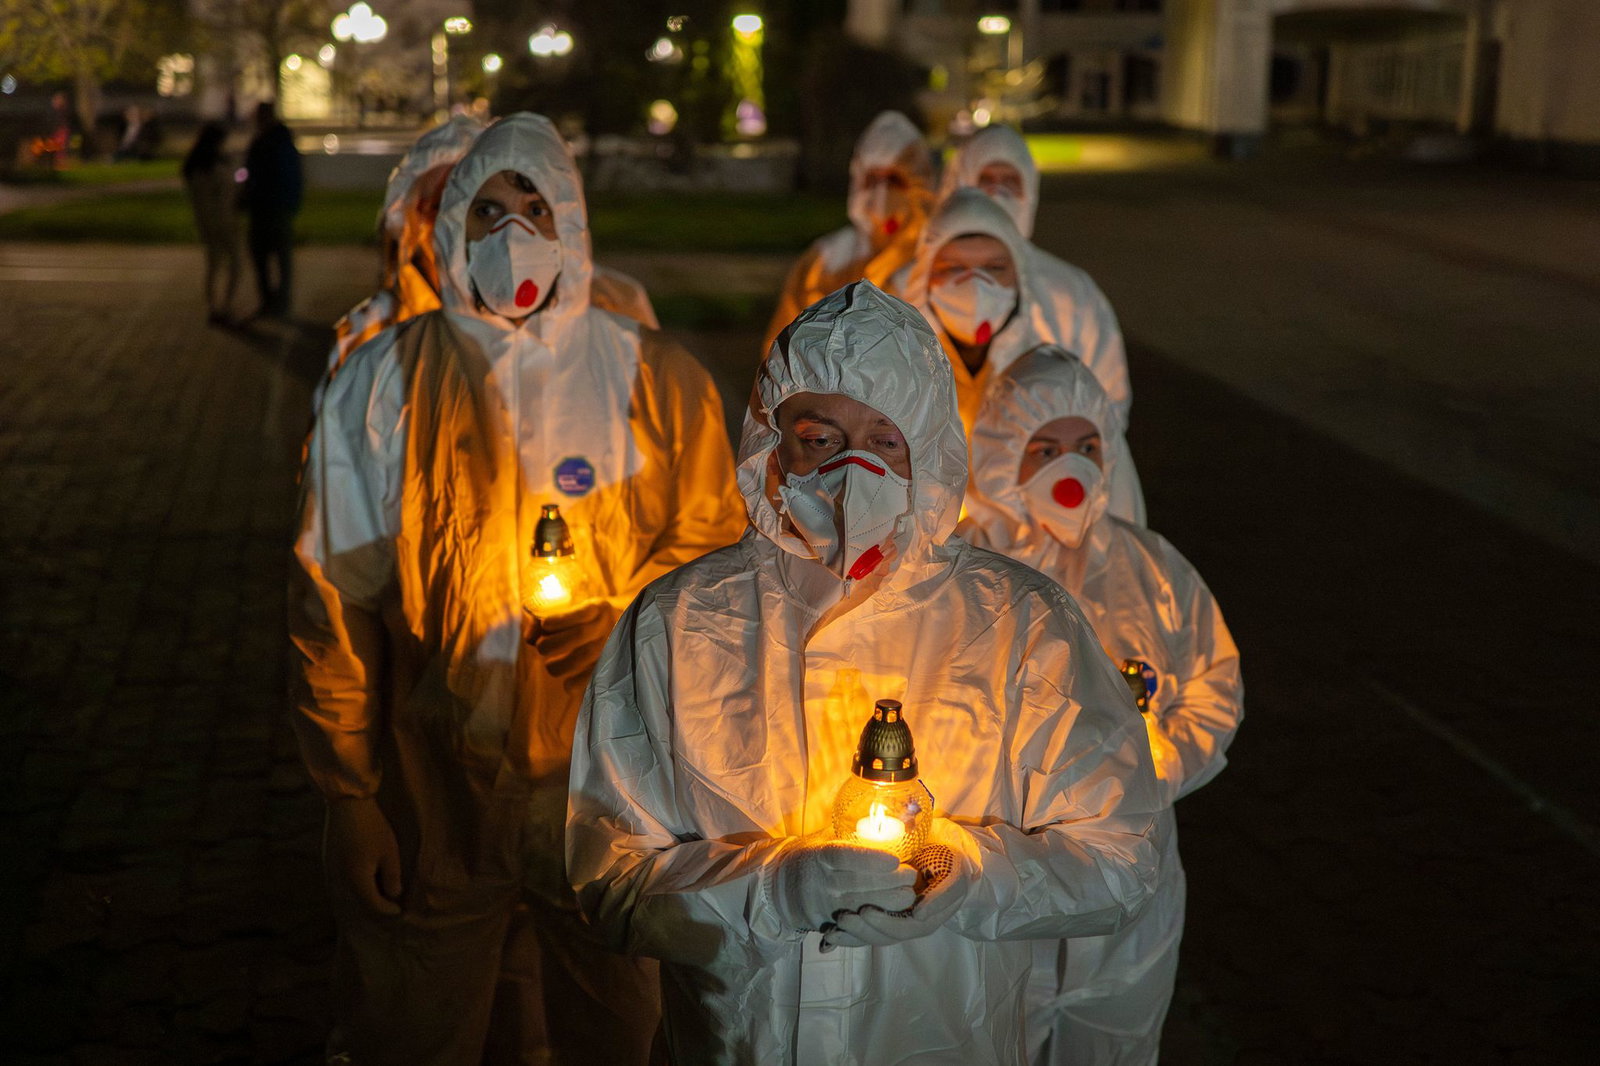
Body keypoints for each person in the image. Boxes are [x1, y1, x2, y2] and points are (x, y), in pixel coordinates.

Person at [568, 281, 1162, 1065]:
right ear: (769, 447)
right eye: (818, 440)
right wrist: (767, 892)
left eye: (885, 440)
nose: (852, 471)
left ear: (931, 449)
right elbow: (608, 879)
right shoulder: (679, 624)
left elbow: (1123, 854)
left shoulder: (1022, 625)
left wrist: (972, 875)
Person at [290, 112, 747, 1066]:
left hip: (611, 793)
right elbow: (333, 602)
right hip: (435, 790)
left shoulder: (655, 380)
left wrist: (633, 622)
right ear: (450, 226)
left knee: (617, 1024)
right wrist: (351, 796)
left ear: (573, 221)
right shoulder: (382, 384)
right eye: (487, 208)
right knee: (416, 1025)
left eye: (534, 206)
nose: (511, 234)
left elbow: (720, 560)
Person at [960, 346, 1243, 1066]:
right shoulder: (962, 573)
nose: (1070, 466)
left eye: (1087, 445)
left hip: (1133, 888)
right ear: (999, 455)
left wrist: (1155, 771)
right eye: (1044, 447)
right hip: (1008, 867)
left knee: (1114, 1046)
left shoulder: (1153, 569)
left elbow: (1211, 685)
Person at [901, 188, 1146, 523]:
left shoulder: (1050, 375)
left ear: (1019, 275)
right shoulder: (895, 363)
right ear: (925, 274)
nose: (976, 284)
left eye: (994, 267)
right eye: (954, 267)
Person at [939, 125, 1130, 428]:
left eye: (1010, 182)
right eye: (985, 180)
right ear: (959, 183)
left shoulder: (1071, 292)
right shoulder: (908, 290)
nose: (996, 194)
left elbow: (1107, 406)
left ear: (1029, 190)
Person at [763, 111, 934, 355]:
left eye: (895, 180)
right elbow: (780, 348)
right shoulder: (825, 259)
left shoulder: (941, 257)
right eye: (873, 179)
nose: (882, 193)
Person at [242, 100, 303, 319]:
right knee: (268, 257)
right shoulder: (271, 140)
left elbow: (285, 175)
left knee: (276, 256)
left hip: (273, 207)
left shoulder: (273, 142)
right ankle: (273, 301)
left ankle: (277, 303)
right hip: (268, 207)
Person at [181, 121, 241, 325]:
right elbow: (226, 193)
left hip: (206, 223)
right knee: (234, 265)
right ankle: (225, 306)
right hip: (222, 221)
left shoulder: (194, 167)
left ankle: (213, 307)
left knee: (213, 266)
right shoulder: (214, 168)